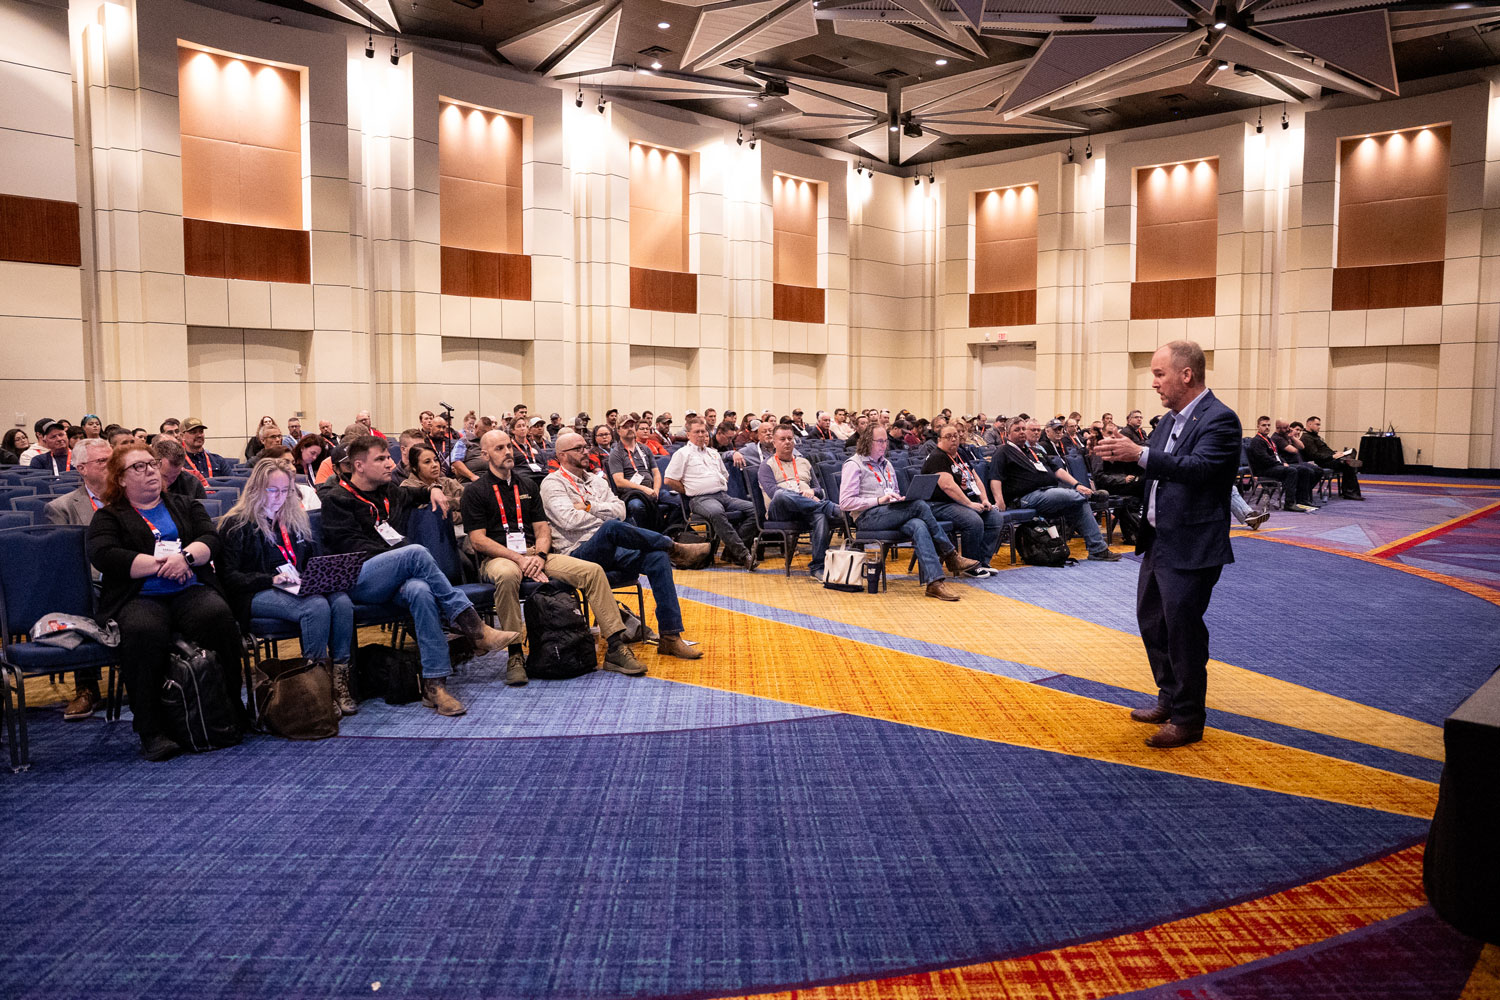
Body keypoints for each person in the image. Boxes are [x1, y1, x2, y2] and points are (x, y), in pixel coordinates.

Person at [1095, 340, 1241, 750]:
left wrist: (1140, 454)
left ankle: (1188, 718)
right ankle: (1169, 697)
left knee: (1183, 632)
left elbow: (1201, 468)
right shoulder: (1167, 422)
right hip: (1160, 539)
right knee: (1153, 624)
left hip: (1193, 543)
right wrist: (1123, 458)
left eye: (1160, 374)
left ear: (1186, 374)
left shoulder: (1220, 419)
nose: (1154, 383)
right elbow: (1156, 470)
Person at [317, 435, 518, 716]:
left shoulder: (390, 491)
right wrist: (400, 556)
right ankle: (474, 626)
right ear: (358, 466)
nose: (390, 463)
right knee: (414, 553)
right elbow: (352, 548)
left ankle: (435, 686)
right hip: (359, 580)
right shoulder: (336, 499)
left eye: (388, 457)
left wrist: (433, 489)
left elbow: (418, 493)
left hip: (395, 579)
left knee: (420, 592)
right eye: (381, 459)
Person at [87, 443, 243, 761]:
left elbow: (210, 539)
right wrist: (163, 565)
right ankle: (152, 730)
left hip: (189, 589)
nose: (150, 471)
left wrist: (185, 558)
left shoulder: (185, 504)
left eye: (152, 464)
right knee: (143, 631)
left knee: (217, 616)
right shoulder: (108, 517)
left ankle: (229, 713)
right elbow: (106, 555)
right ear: (120, 479)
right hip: (139, 595)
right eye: (139, 467)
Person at [463, 430, 655, 684]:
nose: (508, 452)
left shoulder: (527, 485)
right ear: (485, 455)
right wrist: (519, 559)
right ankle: (515, 654)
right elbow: (478, 540)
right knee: (508, 576)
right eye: (499, 448)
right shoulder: (475, 491)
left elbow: (543, 529)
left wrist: (541, 555)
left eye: (508, 446)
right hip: (500, 558)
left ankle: (615, 647)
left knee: (591, 571)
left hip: (537, 554)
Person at [540, 432, 709, 660]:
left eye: (585, 447)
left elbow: (620, 510)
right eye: (578, 449)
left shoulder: (597, 480)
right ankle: (672, 547)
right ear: (561, 455)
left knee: (657, 558)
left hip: (612, 547)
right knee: (610, 527)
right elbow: (569, 519)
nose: (585, 452)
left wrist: (589, 506)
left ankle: (670, 637)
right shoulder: (552, 483)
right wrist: (603, 515)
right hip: (577, 554)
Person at [218, 458, 357, 715]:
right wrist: (269, 579)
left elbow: (310, 560)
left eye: (285, 491)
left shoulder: (294, 519)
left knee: (341, 601)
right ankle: (316, 684)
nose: (279, 497)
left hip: (296, 586)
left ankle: (339, 679)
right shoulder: (237, 524)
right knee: (315, 607)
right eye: (272, 490)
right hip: (255, 593)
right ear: (256, 489)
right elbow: (229, 578)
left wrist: (322, 575)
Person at [839, 424, 976, 600]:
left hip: (889, 513)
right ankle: (950, 554)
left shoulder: (887, 464)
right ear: (867, 441)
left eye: (885, 441)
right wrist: (878, 500)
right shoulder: (854, 465)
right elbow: (845, 503)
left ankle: (934, 583)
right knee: (919, 506)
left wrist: (898, 499)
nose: (884, 445)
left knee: (918, 525)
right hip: (867, 517)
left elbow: (893, 491)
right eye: (879, 441)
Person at [43, 438, 114, 719]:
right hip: (91, 580)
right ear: (81, 468)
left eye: (112, 459)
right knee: (80, 598)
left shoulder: (130, 498)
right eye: (102, 461)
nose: (111, 465)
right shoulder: (61, 507)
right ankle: (87, 687)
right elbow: (67, 561)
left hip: (131, 575)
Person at [987, 417, 1121, 562]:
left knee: (1079, 504)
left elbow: (1057, 470)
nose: (1021, 432)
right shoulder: (1003, 451)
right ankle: (1089, 496)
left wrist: (1077, 485)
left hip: (1047, 493)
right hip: (1025, 498)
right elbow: (995, 478)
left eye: (1023, 429)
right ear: (1007, 434)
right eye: (1016, 430)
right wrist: (999, 500)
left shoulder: (1034, 451)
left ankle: (1098, 550)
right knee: (1070, 495)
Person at [664, 416, 758, 569]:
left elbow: (725, 475)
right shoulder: (682, 454)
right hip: (700, 499)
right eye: (697, 432)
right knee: (716, 512)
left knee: (755, 510)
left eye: (703, 431)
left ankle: (730, 552)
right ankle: (743, 555)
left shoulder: (712, 453)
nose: (701, 434)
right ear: (688, 434)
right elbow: (669, 480)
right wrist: (687, 490)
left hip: (722, 496)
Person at [758, 426, 842, 580]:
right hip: (780, 511)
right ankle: (829, 507)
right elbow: (772, 492)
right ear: (774, 443)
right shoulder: (767, 465)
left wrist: (812, 492)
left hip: (806, 508)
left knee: (820, 517)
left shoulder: (804, 462)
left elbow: (819, 490)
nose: (787, 442)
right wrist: (802, 496)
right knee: (781, 494)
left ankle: (817, 567)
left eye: (790, 439)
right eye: (782, 439)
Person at [922, 424, 1003, 576]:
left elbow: (975, 478)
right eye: (948, 437)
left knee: (995, 518)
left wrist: (985, 499)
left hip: (961, 502)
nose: (953, 439)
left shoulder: (960, 453)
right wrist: (970, 504)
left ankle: (982, 561)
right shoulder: (937, 457)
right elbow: (948, 486)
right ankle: (970, 565)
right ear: (939, 440)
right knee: (973, 520)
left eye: (955, 436)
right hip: (939, 504)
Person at [1246, 416, 1317, 513]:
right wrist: (1281, 464)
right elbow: (1264, 459)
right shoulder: (1257, 441)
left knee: (1304, 470)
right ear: (1258, 426)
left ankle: (1302, 500)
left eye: (1268, 425)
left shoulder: (1268, 439)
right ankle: (1289, 503)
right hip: (1264, 469)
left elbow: (1276, 455)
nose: (1267, 427)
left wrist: (1283, 462)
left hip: (1274, 466)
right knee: (1291, 471)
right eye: (1264, 425)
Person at [607, 416, 664, 532]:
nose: (630, 429)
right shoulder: (616, 453)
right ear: (618, 431)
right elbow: (619, 481)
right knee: (636, 506)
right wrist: (644, 489)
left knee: (677, 501)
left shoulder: (645, 449)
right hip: (632, 493)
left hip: (652, 490)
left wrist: (656, 491)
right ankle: (644, 536)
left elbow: (656, 473)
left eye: (631, 426)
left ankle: (667, 531)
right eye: (625, 427)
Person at [1300, 416, 1363, 500]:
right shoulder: (1307, 438)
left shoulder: (1314, 436)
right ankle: (1350, 492)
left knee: (1351, 454)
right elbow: (1314, 455)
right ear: (1309, 424)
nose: (1319, 427)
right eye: (1317, 424)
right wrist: (1332, 456)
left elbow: (1324, 450)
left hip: (1329, 458)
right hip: (1322, 462)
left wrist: (1335, 453)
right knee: (1347, 465)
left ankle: (1346, 459)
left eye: (1319, 425)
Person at [402, 443, 464, 525]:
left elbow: (471, 503)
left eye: (436, 460)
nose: (434, 465)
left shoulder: (448, 482)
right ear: (415, 467)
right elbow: (434, 517)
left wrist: (445, 503)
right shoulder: (408, 488)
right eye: (427, 462)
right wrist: (461, 512)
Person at [180, 417, 226, 486]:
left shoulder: (218, 460)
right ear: (182, 436)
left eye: (201, 431)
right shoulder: (178, 464)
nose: (199, 435)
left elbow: (234, 484)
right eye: (193, 432)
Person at [291, 435, 326, 510]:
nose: (314, 457)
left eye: (317, 455)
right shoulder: (292, 468)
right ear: (302, 448)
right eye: (312, 453)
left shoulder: (315, 466)